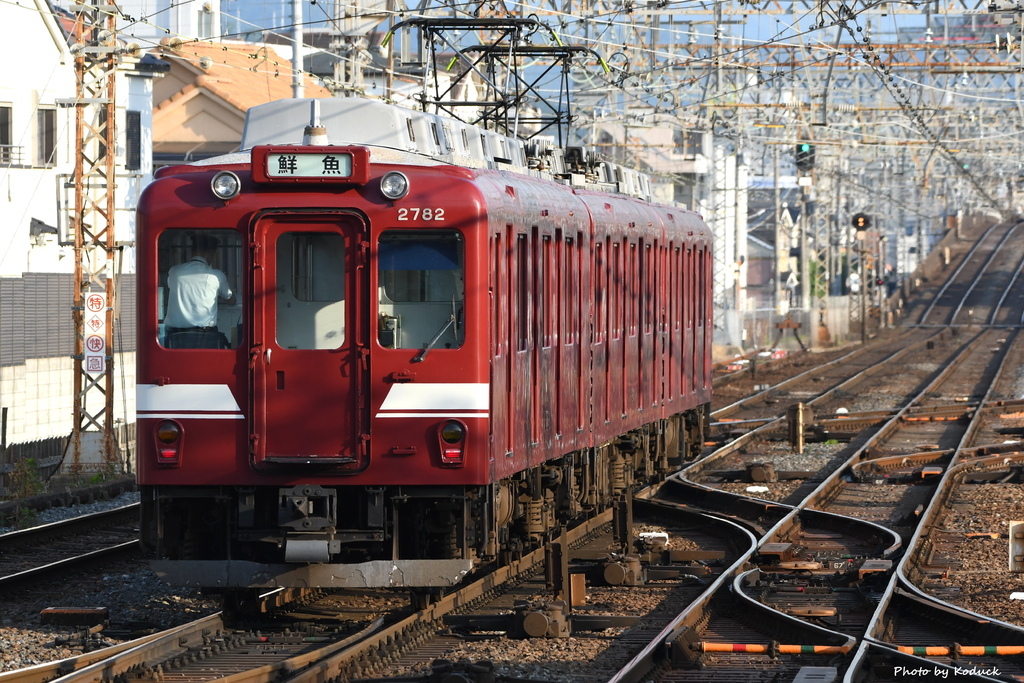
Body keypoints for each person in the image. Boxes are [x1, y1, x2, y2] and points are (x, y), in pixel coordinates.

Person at [164, 235, 236, 348]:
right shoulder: (216, 275)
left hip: (175, 337)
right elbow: (231, 301)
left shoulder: (174, 271)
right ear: (211, 253)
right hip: (205, 338)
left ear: (192, 251)